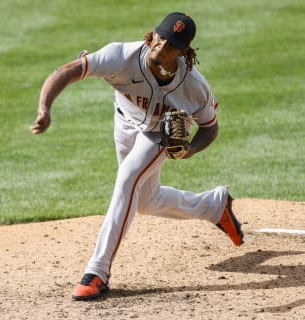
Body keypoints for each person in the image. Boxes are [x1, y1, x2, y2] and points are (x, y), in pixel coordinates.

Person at [30, 12, 244, 301]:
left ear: (184, 52)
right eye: (161, 37)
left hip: (160, 135)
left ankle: (97, 271)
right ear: (153, 34)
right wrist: (45, 108)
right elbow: (67, 71)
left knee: (127, 179)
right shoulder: (120, 56)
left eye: (171, 45)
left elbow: (210, 127)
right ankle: (213, 206)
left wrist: (190, 150)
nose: (161, 46)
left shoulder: (194, 86)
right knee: (145, 201)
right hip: (125, 124)